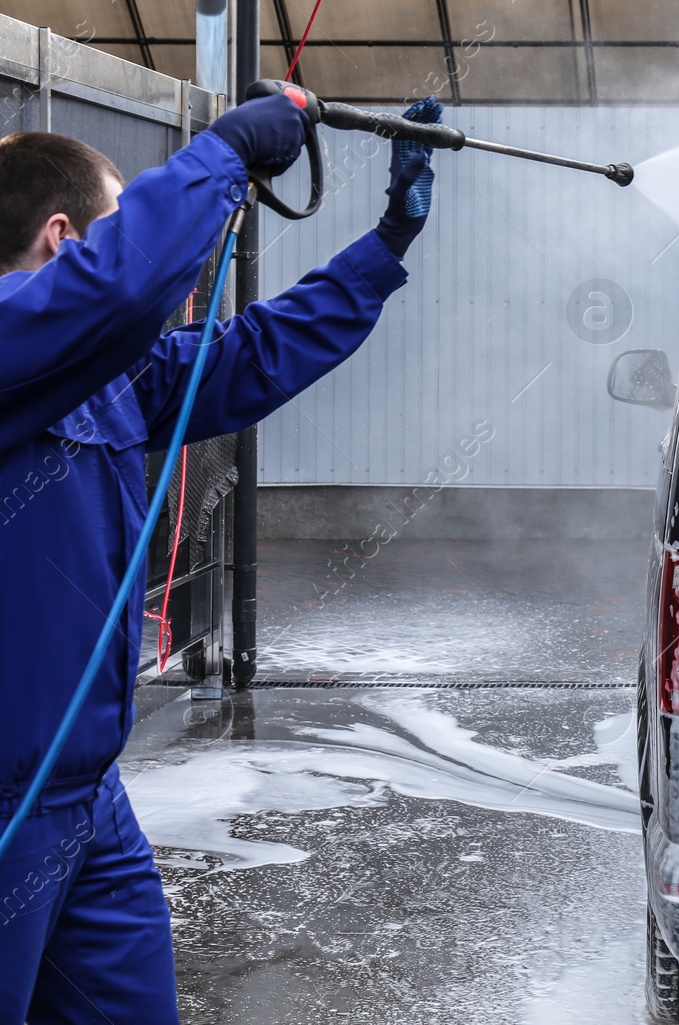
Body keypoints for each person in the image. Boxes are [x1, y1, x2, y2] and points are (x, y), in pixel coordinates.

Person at [0, 91, 443, 1023]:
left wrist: (384, 247)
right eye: (120, 226)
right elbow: (125, 288)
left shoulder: (101, 374)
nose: (149, 257)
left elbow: (250, 355)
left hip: (82, 794)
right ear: (62, 239)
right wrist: (227, 150)